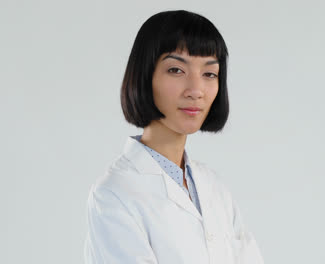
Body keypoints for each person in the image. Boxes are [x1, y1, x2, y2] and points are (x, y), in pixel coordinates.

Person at [83, 10, 264, 264]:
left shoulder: (214, 187)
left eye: (209, 74)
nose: (196, 90)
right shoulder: (114, 194)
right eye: (177, 70)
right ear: (145, 76)